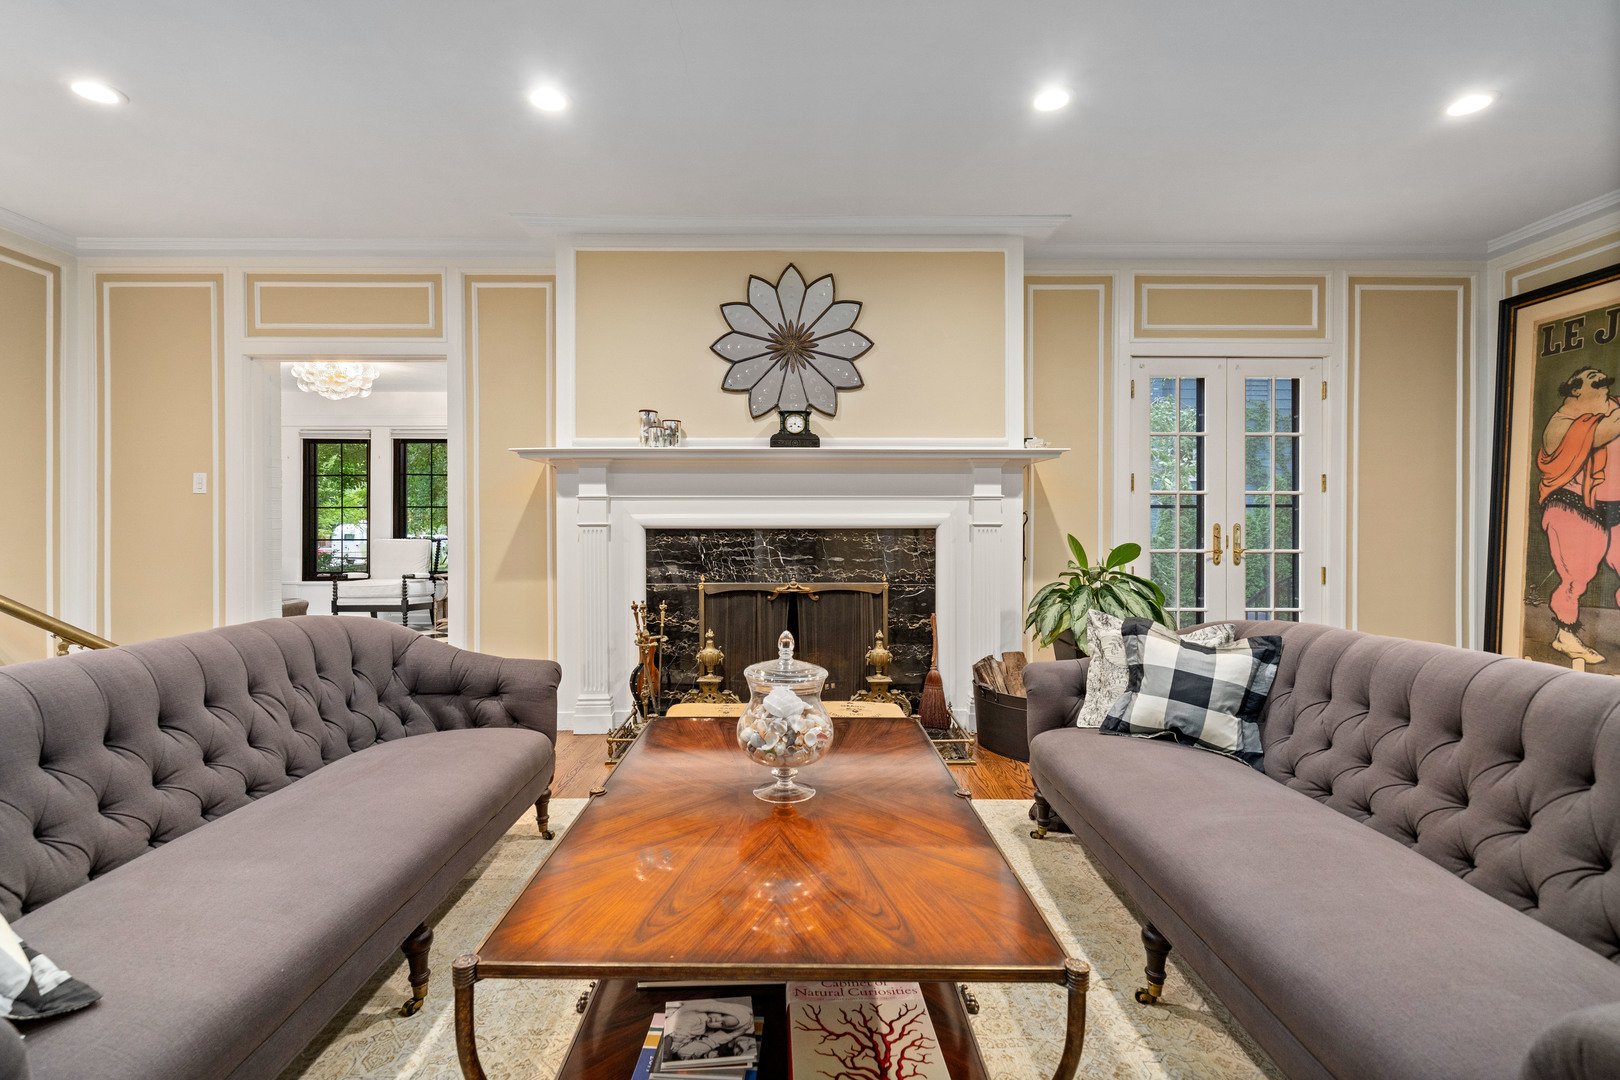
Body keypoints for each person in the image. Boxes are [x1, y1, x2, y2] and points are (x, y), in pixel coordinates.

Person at [1537, 366, 1620, 664]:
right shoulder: (1560, 425)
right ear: (1575, 390)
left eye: (1604, 382)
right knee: (1576, 576)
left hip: (1615, 506)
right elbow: (1602, 432)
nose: (1603, 387)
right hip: (1573, 504)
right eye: (1594, 383)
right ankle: (1566, 636)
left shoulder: (1612, 406)